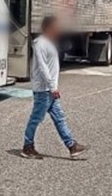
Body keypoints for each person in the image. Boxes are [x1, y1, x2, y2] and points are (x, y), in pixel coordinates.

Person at [21, 16, 88, 160]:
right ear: (48, 28)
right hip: (43, 90)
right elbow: (43, 67)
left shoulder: (49, 43)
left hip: (50, 89)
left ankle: (72, 146)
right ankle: (27, 147)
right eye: (56, 27)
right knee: (36, 119)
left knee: (60, 118)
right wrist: (52, 87)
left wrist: (54, 87)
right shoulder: (40, 43)